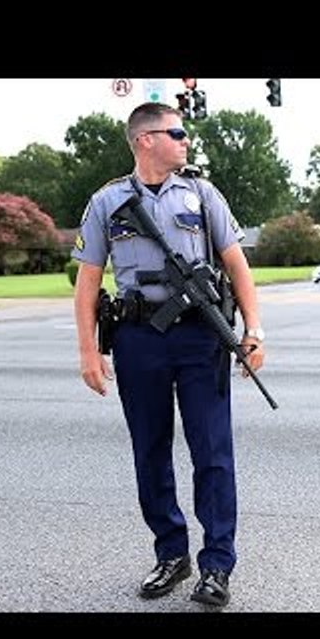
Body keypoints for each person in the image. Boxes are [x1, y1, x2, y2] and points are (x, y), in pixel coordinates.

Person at [71, 102, 265, 607]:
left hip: (201, 336)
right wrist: (89, 351)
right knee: (150, 452)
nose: (185, 140)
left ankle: (216, 565)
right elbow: (88, 281)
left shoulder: (201, 194)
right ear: (145, 140)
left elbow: (236, 264)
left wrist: (254, 330)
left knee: (213, 453)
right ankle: (171, 555)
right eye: (175, 133)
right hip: (138, 337)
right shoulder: (106, 201)